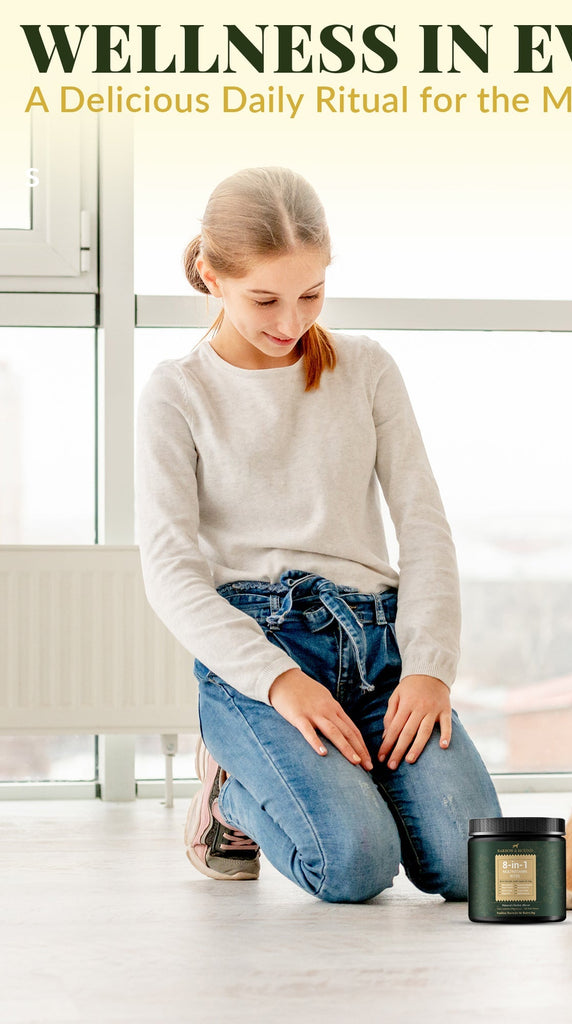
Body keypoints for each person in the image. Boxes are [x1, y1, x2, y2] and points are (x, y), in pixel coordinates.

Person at [135, 166, 501, 903]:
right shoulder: (177, 392)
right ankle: (231, 793)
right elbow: (171, 572)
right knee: (354, 865)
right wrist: (279, 682)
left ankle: (335, 782)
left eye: (311, 293)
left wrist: (429, 666)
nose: (291, 321)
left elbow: (424, 525)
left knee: (474, 867)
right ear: (210, 276)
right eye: (264, 298)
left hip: (378, 646)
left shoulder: (365, 370)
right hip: (262, 654)